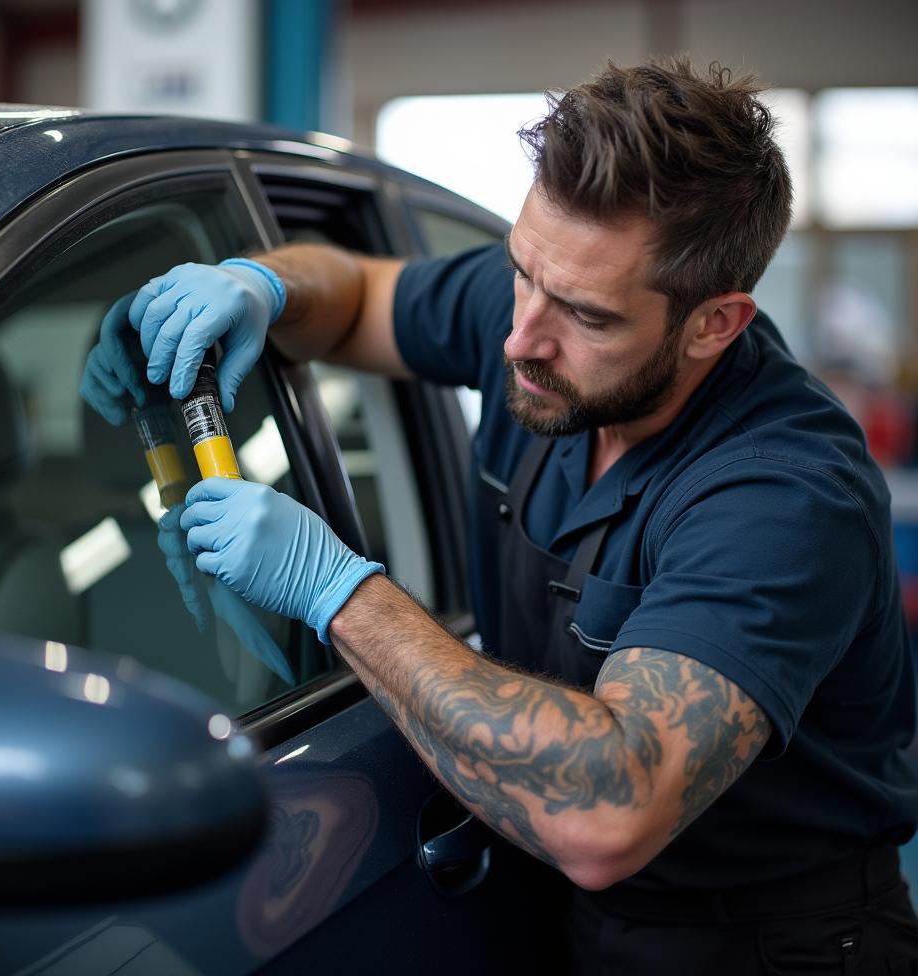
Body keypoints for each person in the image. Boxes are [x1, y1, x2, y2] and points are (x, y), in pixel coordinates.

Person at [90, 58, 918, 971]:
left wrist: (335, 589)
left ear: (713, 324)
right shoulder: (544, 309)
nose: (522, 336)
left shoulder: (786, 493)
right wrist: (262, 285)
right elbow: (360, 293)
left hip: (769, 944)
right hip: (571, 916)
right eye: (524, 271)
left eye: (587, 316)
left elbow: (609, 810)